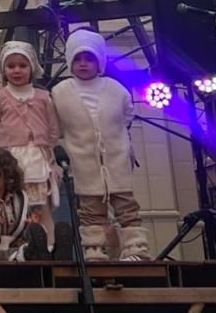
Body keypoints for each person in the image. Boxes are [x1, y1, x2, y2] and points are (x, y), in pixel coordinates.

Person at [50, 28, 148, 261]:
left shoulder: (115, 89)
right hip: (83, 162)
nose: (83, 64)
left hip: (116, 159)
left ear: (99, 62)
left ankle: (135, 247)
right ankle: (94, 249)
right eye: (78, 59)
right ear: (70, 61)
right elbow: (56, 124)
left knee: (126, 207)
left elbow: (127, 115)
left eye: (89, 59)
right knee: (91, 209)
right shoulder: (60, 92)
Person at [0, 41, 59, 241]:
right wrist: (3, 149)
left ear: (32, 67)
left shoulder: (44, 97)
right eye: (11, 66)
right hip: (12, 158)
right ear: (3, 70)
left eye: (22, 66)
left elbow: (53, 128)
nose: (17, 70)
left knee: (41, 207)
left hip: (38, 158)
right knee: (15, 205)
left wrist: (45, 146)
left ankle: (48, 245)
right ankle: (19, 244)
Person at [0, 144, 67, 262]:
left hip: (15, 250)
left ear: (7, 175)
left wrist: (29, 224)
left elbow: (21, 231)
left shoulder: (20, 198)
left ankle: (57, 253)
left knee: (32, 242)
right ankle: (36, 253)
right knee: (24, 255)